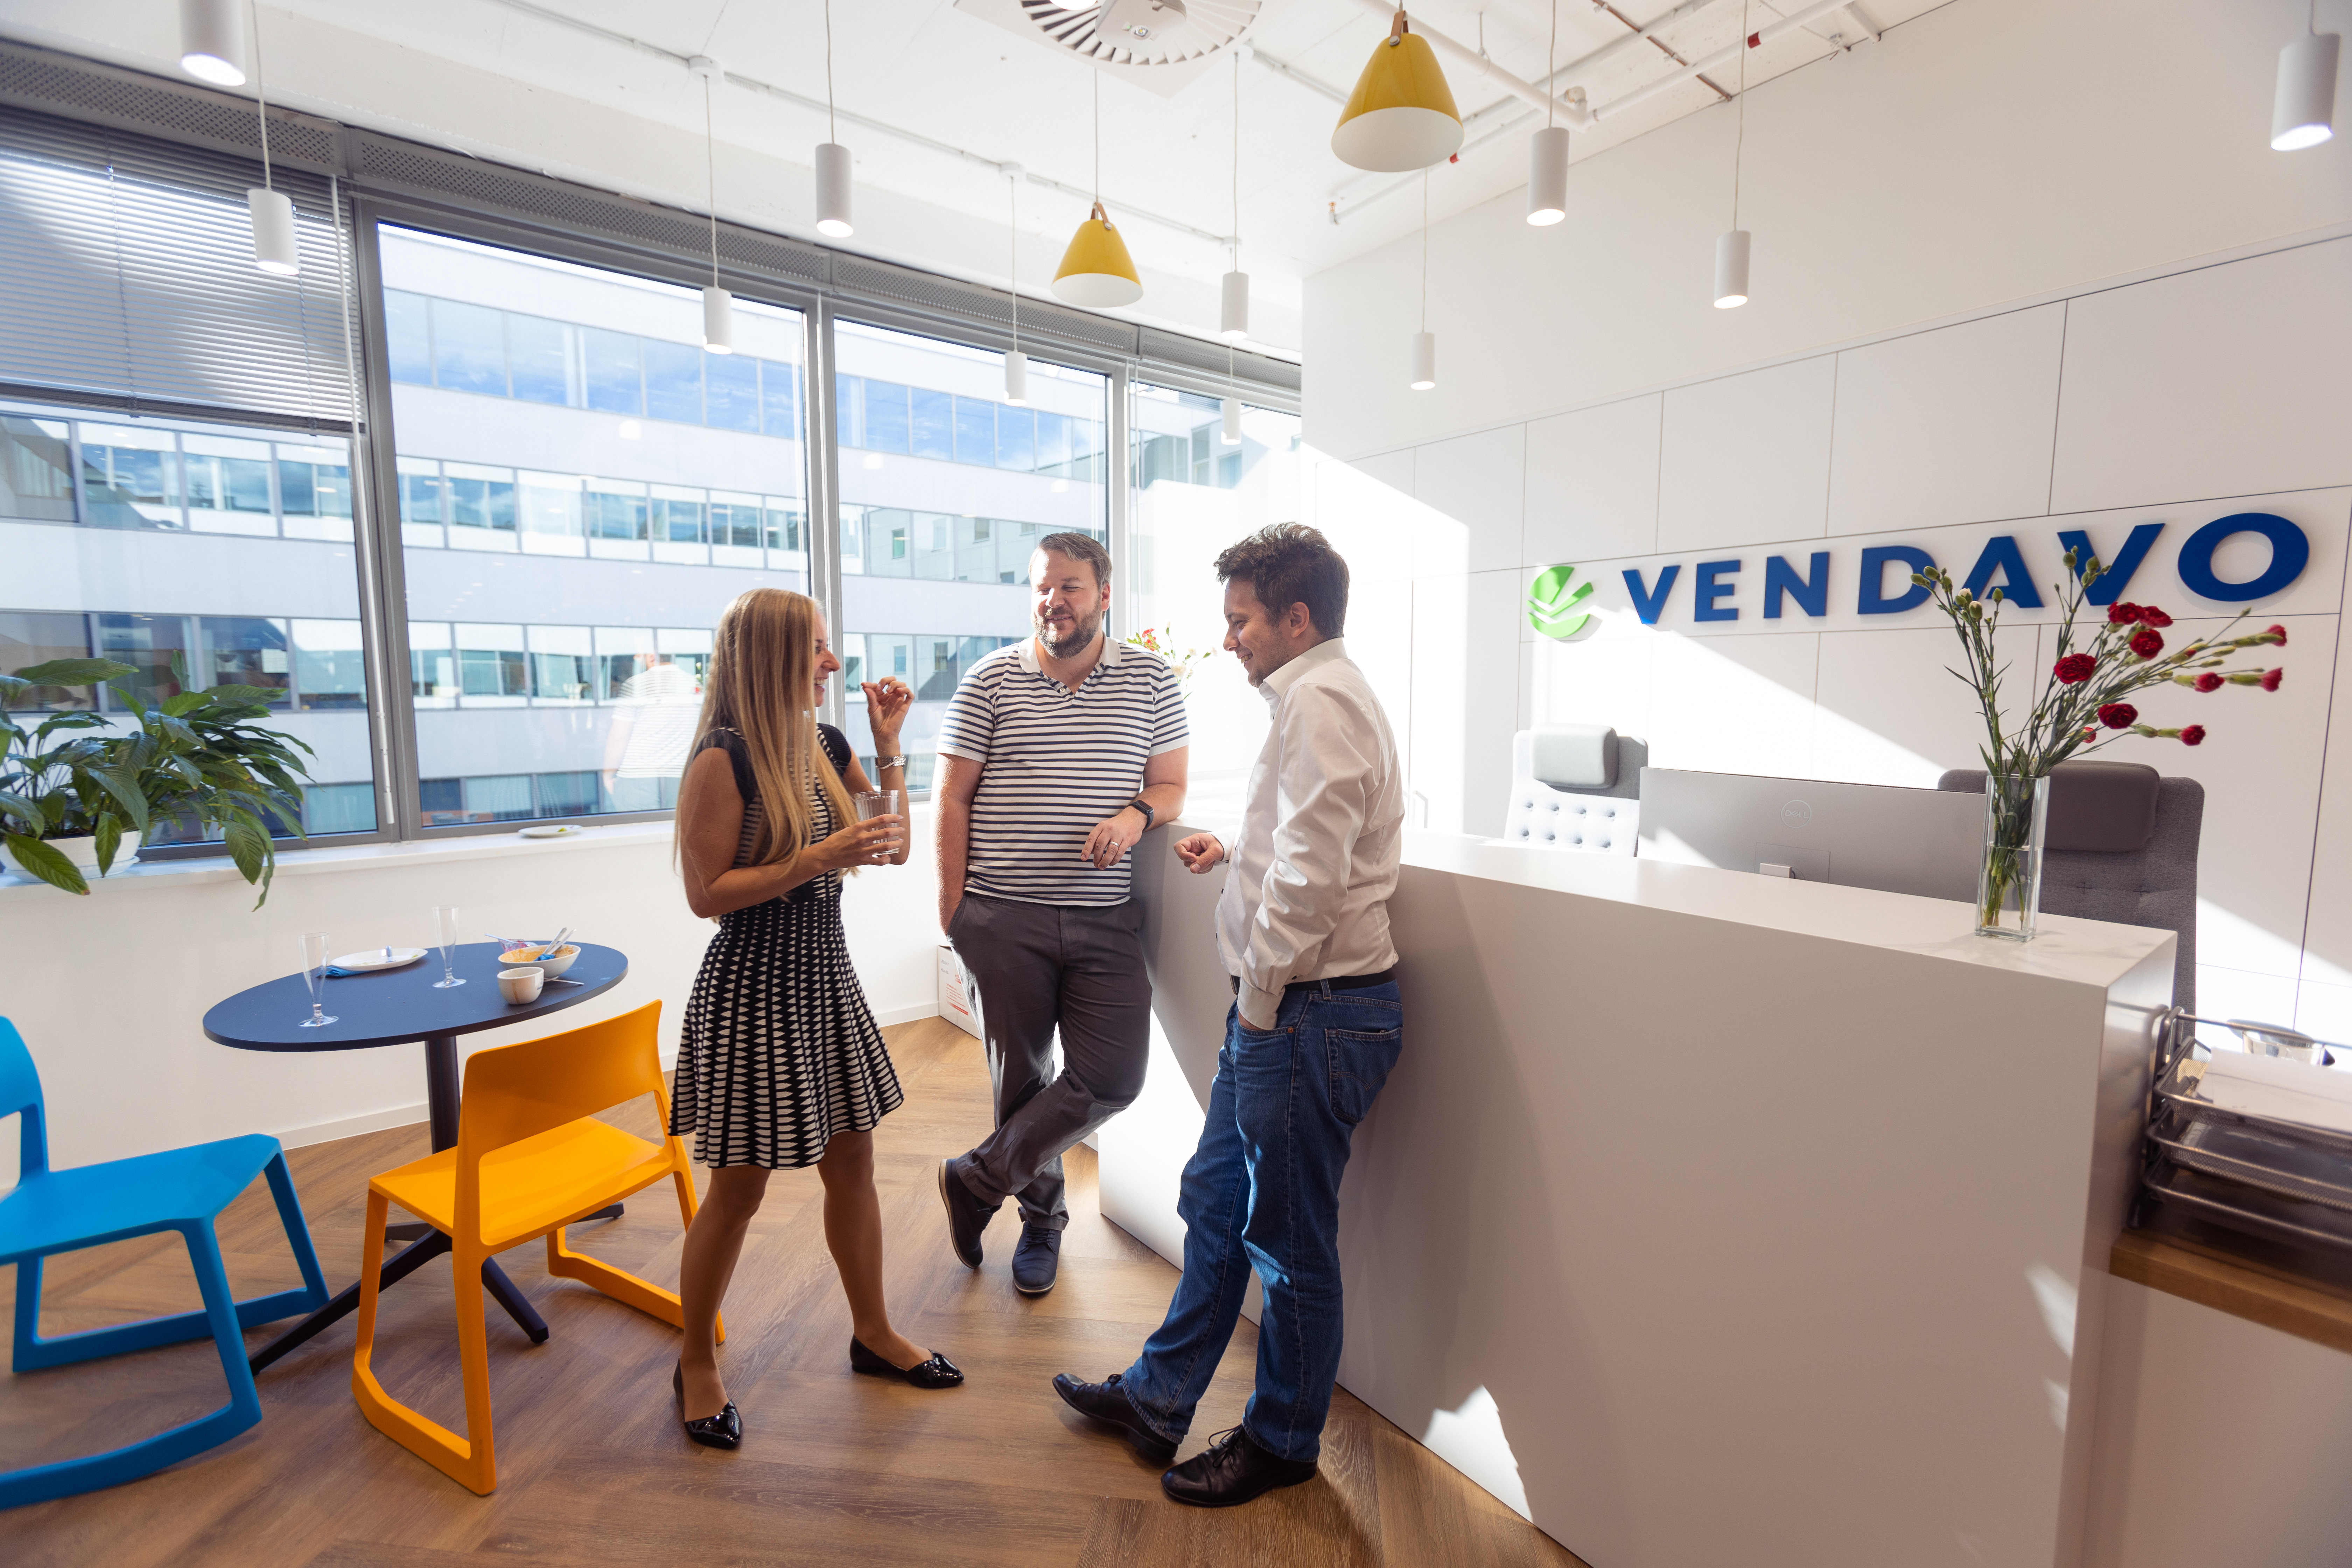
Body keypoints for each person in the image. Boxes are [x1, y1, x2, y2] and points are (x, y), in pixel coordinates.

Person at [1050, 524, 1406, 1509]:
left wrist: (1255, 1012)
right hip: (1289, 1011)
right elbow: (1298, 854)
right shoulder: (1311, 698)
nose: (1231, 638)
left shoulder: (1323, 702)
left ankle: (1285, 1440)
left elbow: (1313, 880)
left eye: (1242, 619)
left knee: (1289, 1248)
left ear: (1297, 618)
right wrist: (1235, 859)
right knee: (1215, 1203)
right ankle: (1162, 1398)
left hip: (1306, 1016)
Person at [667, 587, 960, 1452]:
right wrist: (815, 858)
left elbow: (894, 843)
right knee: (741, 1187)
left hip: (825, 981)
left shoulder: (828, 742)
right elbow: (705, 897)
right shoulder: (722, 759)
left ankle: (872, 1330)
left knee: (855, 1162)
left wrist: (890, 748)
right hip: (752, 987)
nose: (834, 664)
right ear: (772, 657)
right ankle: (694, 1360)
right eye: (819, 649)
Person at [933, 531, 1189, 1297]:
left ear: (1105, 594)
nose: (1055, 601)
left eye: (1071, 587)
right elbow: (950, 796)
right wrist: (953, 912)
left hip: (1104, 917)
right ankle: (1042, 1223)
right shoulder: (989, 679)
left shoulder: (1151, 680)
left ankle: (977, 1178)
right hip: (1003, 915)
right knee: (1022, 1079)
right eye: (1043, 586)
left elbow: (1172, 784)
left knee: (1114, 1074)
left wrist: (1137, 815)